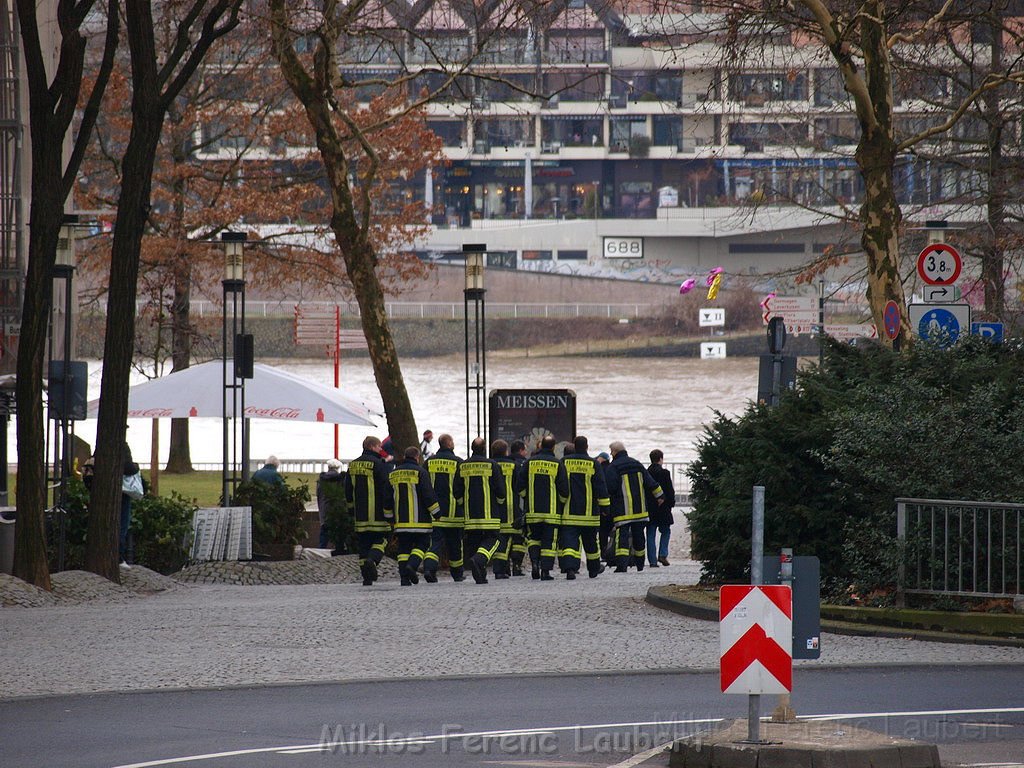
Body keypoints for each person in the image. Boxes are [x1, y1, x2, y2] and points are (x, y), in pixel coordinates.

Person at [385, 446, 441, 586]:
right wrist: (437, 513)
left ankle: (404, 579)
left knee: (403, 549)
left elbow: (387, 498)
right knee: (423, 545)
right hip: (420, 522)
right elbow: (428, 495)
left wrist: (390, 518)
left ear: (405, 456)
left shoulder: (393, 474)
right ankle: (413, 565)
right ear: (417, 457)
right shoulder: (420, 472)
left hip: (401, 523)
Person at [515, 434, 568, 581]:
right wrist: (560, 503)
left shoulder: (529, 463)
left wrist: (527, 498)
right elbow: (564, 490)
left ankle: (535, 565)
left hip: (533, 512)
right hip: (551, 513)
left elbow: (520, 486)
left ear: (540, 446)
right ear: (553, 447)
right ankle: (545, 571)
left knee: (533, 540)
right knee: (549, 543)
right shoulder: (558, 464)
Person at [455, 437, 506, 584]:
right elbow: (500, 490)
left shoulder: (463, 466)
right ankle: (479, 560)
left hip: (470, 515)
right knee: (494, 540)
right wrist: (499, 504)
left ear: (472, 449)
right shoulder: (492, 465)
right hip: (490, 514)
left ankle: (480, 575)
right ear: (484, 449)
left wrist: (463, 505)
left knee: (474, 542)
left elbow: (456, 491)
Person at [608, 441, 664, 572]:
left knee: (622, 538)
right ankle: (640, 564)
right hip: (640, 510)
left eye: (611, 451)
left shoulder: (614, 467)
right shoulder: (637, 464)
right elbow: (650, 482)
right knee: (639, 537)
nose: (611, 454)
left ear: (615, 452)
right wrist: (660, 496)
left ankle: (622, 566)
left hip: (623, 511)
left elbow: (610, 487)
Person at [559, 435, 609, 579]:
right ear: (587, 447)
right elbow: (601, 487)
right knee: (591, 544)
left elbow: (560, 485)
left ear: (574, 446)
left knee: (569, 543)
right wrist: (605, 508)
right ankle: (593, 569)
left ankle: (569, 569)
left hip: (569, 512)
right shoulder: (594, 464)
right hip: (589, 514)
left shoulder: (564, 461)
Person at [346, 436, 393, 586]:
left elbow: (348, 489)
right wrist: (389, 511)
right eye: (379, 447)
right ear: (372, 447)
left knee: (364, 544)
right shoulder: (378, 465)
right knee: (382, 539)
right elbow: (386, 489)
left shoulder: (352, 465)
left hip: (360, 515)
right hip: (377, 514)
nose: (381, 450)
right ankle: (372, 561)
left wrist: (351, 509)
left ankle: (366, 577)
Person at [422, 433, 465, 582]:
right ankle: (457, 574)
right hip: (454, 514)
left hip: (435, 513)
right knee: (454, 545)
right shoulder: (459, 462)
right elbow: (462, 486)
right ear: (449, 444)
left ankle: (429, 569)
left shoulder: (429, 462)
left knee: (435, 543)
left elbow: (424, 485)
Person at [490, 439, 521, 580]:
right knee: (511, 538)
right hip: (510, 507)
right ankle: (505, 568)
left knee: (499, 537)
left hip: (492, 508)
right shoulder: (514, 466)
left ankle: (502, 568)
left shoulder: (489, 465)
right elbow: (519, 487)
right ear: (506, 451)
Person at [646, 449, 676, 567]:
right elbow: (669, 490)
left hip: (650, 508)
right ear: (660, 459)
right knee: (666, 531)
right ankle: (662, 554)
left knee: (650, 533)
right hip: (663, 507)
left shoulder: (646, 473)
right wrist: (671, 503)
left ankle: (652, 561)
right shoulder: (665, 473)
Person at [508, 440, 529, 575]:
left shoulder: (499, 463)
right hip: (518, 506)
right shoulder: (522, 464)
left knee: (503, 537)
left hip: (500, 508)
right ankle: (516, 566)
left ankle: (504, 566)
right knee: (519, 538)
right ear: (521, 450)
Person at [316, 458, 345, 549]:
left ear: (328, 467)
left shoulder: (321, 480)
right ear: (338, 468)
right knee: (339, 537)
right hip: (337, 511)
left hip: (324, 509)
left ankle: (320, 552)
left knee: (323, 536)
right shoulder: (340, 479)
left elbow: (318, 495)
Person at [595, 451, 614, 566]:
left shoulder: (599, 470)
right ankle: (611, 552)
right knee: (611, 531)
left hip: (601, 506)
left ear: (602, 459)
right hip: (612, 506)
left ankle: (603, 553)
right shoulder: (612, 469)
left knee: (602, 532)